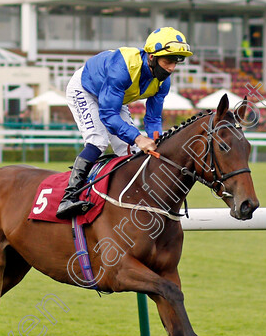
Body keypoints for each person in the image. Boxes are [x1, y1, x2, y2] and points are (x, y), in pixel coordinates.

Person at [55, 27, 192, 219]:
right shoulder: (123, 67)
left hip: (112, 98)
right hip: (85, 89)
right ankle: (68, 197)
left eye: (176, 62)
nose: (172, 68)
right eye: (168, 61)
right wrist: (138, 137)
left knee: (132, 151)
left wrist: (155, 139)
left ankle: (131, 199)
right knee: (98, 141)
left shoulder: (163, 81)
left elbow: (153, 118)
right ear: (151, 57)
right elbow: (108, 115)